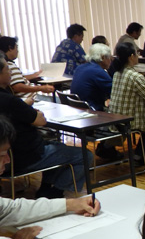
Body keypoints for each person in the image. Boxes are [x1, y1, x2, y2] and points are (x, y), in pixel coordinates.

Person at [0, 58, 89, 198]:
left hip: (9, 158)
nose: (10, 72)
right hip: (26, 157)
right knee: (85, 155)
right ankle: (54, 192)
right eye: (7, 69)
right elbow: (40, 121)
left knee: (56, 146)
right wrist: (31, 111)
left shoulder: (10, 100)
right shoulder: (10, 101)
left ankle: (46, 189)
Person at [70, 43, 113, 111]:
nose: (110, 61)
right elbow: (114, 92)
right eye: (109, 58)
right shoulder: (98, 71)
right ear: (102, 57)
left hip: (77, 109)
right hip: (93, 111)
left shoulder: (80, 68)